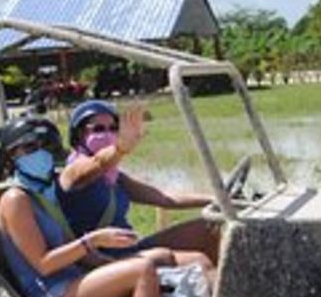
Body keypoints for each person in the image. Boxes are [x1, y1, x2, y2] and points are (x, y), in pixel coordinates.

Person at [0, 116, 165, 297]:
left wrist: (111, 264)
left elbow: (78, 252)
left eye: (47, 145)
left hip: (71, 278)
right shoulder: (15, 199)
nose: (40, 153)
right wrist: (93, 240)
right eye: (30, 147)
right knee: (141, 270)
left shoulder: (43, 195)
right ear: (10, 157)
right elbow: (44, 265)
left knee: (159, 258)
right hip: (50, 293)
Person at [59, 99, 221, 266]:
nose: (107, 134)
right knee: (199, 262)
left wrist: (218, 199)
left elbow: (164, 198)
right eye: (98, 129)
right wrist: (119, 149)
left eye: (114, 128)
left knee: (213, 228)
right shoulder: (72, 173)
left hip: (131, 249)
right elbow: (98, 163)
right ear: (79, 135)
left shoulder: (116, 177)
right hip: (103, 261)